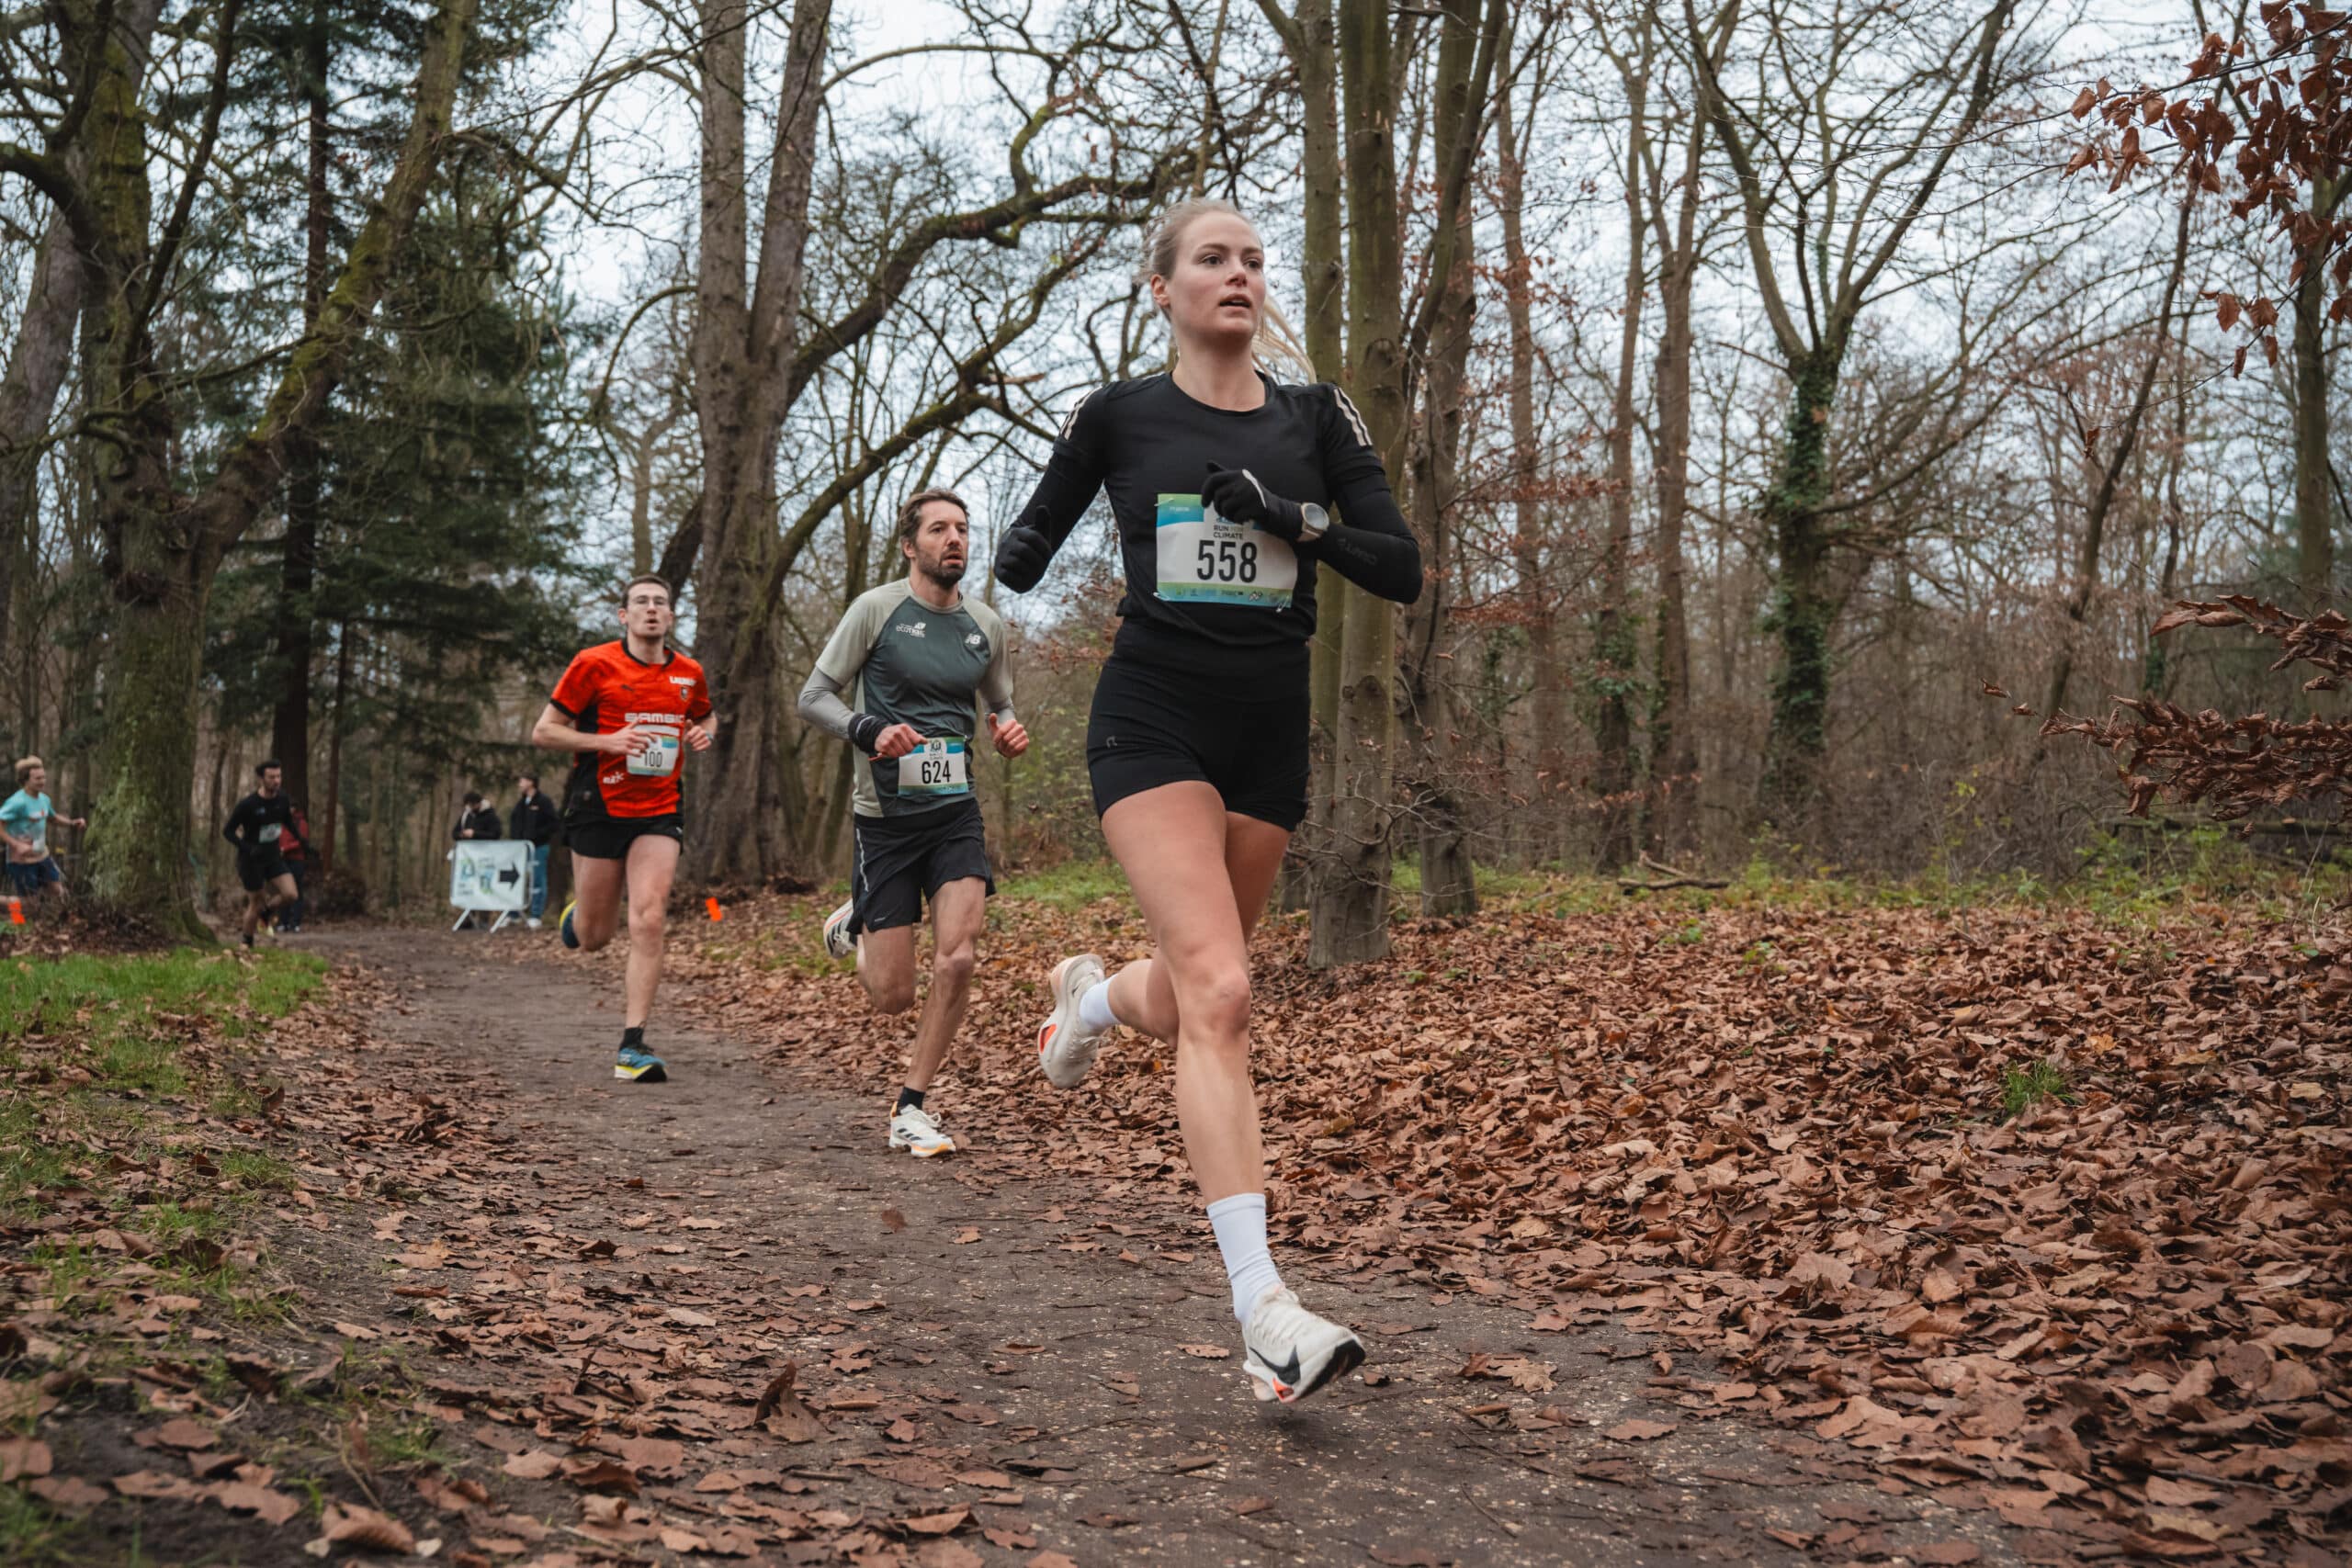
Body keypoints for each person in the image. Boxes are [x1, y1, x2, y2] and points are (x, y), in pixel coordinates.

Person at [991, 199, 1423, 1404]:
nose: (1237, 273)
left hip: (1268, 733)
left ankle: (1085, 1001)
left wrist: (1291, 517)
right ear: (1161, 287)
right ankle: (1263, 1308)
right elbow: (1028, 543)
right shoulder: (1120, 413)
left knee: (1189, 987)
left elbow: (1402, 564)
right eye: (1211, 259)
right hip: (1152, 719)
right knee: (1225, 993)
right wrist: (1021, 546)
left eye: (1250, 258)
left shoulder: (1313, 415)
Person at [798, 489, 1029, 1158]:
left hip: (955, 812)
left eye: (962, 528)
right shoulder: (876, 610)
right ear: (910, 544)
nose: (954, 538)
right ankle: (856, 925)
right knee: (893, 995)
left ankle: (912, 1105)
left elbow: (1001, 702)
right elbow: (812, 697)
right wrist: (868, 728)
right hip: (886, 820)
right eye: (938, 529)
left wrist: (1008, 729)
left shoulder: (986, 623)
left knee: (958, 956)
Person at [529, 575, 715, 1083]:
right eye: (641, 602)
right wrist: (608, 742)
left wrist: (701, 732)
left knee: (649, 917)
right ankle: (578, 919)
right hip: (597, 805)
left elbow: (706, 718)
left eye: (661, 602)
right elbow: (544, 732)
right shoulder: (593, 664)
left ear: (672, 616)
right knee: (594, 937)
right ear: (624, 615)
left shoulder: (688, 673)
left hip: (659, 808)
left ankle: (633, 1045)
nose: (651, 609)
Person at [222, 760, 300, 949]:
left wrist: (303, 843)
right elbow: (228, 831)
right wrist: (248, 848)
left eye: (279, 776)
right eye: (271, 777)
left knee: (291, 894)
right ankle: (247, 942)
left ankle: (267, 911)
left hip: (273, 856)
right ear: (261, 779)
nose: (276, 781)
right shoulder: (248, 804)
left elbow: (288, 823)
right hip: (251, 860)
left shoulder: (283, 799)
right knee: (255, 903)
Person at [3, 756, 85, 911]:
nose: (43, 781)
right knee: (27, 903)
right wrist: (16, 844)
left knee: (58, 892)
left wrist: (72, 823)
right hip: (21, 861)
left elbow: (53, 818)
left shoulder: (44, 799)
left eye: (44, 777)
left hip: (42, 856)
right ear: (25, 779)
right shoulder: (17, 802)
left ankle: (39, 925)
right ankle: (15, 923)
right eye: (38, 778)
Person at [510, 773, 559, 930]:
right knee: (518, 879)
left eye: (522, 780)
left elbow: (553, 824)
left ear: (531, 782)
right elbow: (515, 823)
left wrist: (537, 836)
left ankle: (536, 915)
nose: (520, 783)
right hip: (521, 848)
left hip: (539, 847)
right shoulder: (521, 803)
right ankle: (514, 914)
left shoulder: (543, 802)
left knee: (538, 880)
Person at [276, 801, 311, 933]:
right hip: (283, 861)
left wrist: (285, 848)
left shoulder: (301, 823)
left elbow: (302, 841)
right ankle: (283, 922)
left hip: (297, 860)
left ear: (294, 809)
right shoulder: (280, 823)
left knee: (297, 891)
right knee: (284, 891)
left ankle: (295, 923)